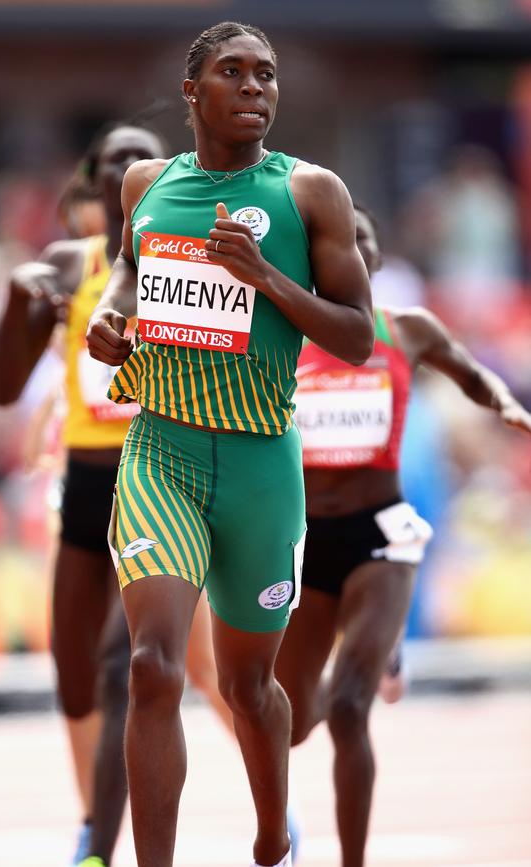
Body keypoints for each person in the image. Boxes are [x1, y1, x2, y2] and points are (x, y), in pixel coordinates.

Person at [85, 21, 373, 867]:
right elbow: (131, 269)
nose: (254, 88)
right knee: (152, 665)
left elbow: (358, 337)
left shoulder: (312, 193)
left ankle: (272, 835)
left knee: (250, 687)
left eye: (267, 75)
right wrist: (114, 315)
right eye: (233, 73)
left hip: (259, 462)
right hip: (160, 450)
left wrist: (267, 278)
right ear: (192, 92)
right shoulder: (148, 183)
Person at [276, 203, 531, 867]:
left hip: (381, 535)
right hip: (306, 542)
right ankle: (377, 651)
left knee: (353, 708)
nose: (350, 252)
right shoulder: (282, 336)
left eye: (361, 241)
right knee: (294, 722)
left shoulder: (405, 329)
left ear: (377, 259)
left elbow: (465, 368)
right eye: (336, 243)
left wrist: (503, 402)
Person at [0, 123, 165, 866]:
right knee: (74, 671)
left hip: (158, 476)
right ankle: (96, 816)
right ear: (95, 181)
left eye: (142, 157)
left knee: (159, 668)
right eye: (113, 158)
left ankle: (271, 802)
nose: (126, 167)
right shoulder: (69, 261)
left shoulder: (181, 258)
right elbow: (3, 387)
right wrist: (16, 303)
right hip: (87, 481)